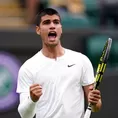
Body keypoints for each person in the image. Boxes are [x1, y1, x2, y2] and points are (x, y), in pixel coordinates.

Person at [16, 8, 102, 118]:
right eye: (47, 22)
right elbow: (25, 115)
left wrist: (95, 102)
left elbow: (95, 107)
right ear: (38, 30)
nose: (52, 26)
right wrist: (32, 100)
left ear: (61, 29)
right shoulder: (28, 68)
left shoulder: (81, 60)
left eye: (56, 22)